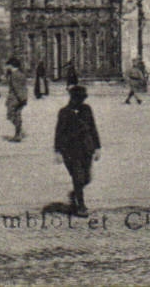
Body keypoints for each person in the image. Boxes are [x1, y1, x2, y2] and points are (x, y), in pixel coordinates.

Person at [54, 84, 101, 216]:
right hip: (71, 150)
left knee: (87, 178)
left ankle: (74, 194)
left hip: (87, 148)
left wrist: (97, 147)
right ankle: (81, 206)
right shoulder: (64, 112)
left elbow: (93, 128)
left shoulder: (87, 109)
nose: (80, 101)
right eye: (78, 98)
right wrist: (58, 151)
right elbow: (59, 132)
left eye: (82, 98)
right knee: (78, 177)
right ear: (72, 97)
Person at [4, 57, 28, 142]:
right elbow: (24, 87)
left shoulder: (13, 75)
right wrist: (24, 98)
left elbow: (16, 87)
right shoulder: (21, 74)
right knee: (18, 115)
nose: (7, 67)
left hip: (15, 99)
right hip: (22, 98)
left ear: (12, 65)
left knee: (11, 115)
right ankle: (19, 133)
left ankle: (18, 133)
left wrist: (20, 98)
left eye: (8, 65)